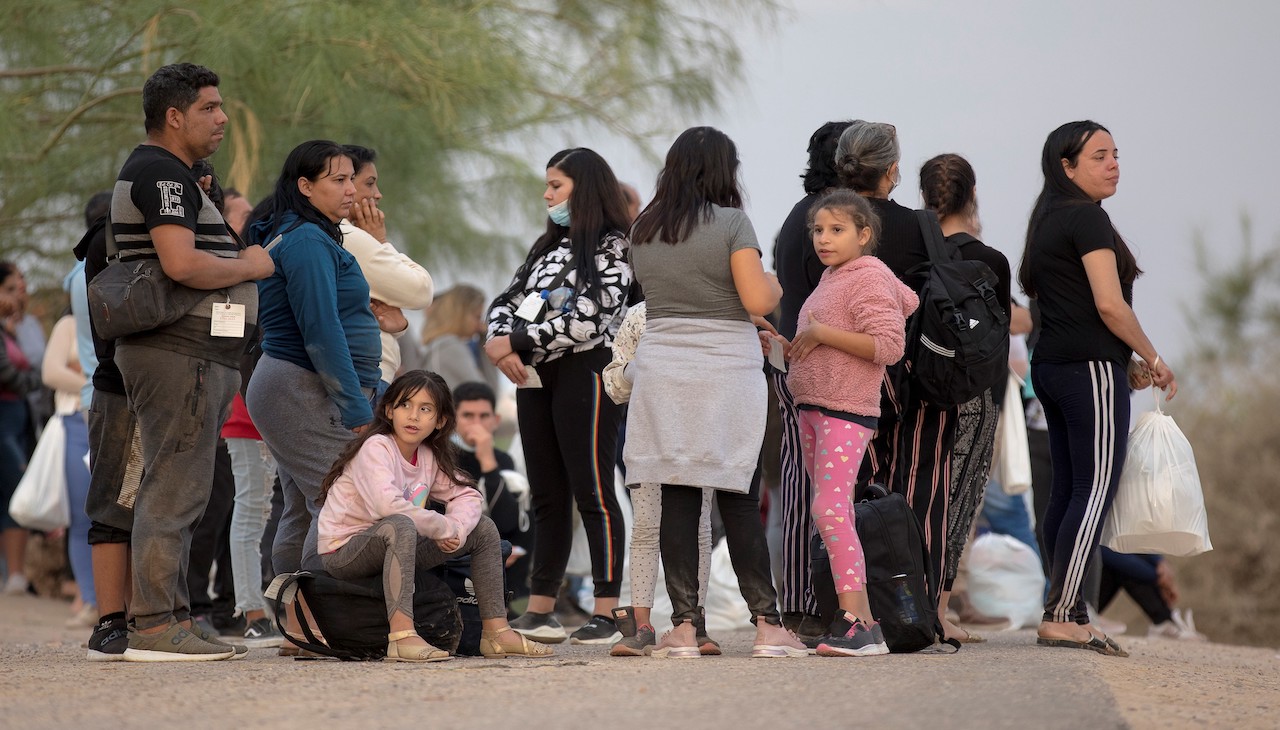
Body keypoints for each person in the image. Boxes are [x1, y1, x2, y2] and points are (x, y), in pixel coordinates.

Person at [109, 62, 272, 661]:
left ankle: (173, 614)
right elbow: (181, 265)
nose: (223, 117)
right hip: (176, 354)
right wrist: (251, 266)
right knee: (173, 487)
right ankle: (153, 625)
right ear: (173, 116)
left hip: (197, 355)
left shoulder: (178, 175)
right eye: (209, 107)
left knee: (187, 488)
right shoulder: (158, 172)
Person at [626, 126, 804, 658]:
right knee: (738, 495)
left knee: (678, 491)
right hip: (723, 369)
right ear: (724, 170)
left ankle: (683, 627)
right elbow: (754, 295)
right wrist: (773, 285)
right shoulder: (731, 223)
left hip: (663, 365)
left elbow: (669, 296)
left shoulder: (643, 227)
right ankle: (768, 626)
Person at [1019, 120, 1177, 657]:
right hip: (1088, 371)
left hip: (1056, 367)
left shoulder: (1046, 220)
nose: (1113, 165)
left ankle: (1063, 609)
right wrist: (1152, 357)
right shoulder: (1086, 217)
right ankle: (1065, 613)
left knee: (1067, 490)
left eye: (1115, 155)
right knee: (1094, 490)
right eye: (1099, 156)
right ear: (1067, 167)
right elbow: (1111, 305)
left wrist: (1123, 360)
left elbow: (1074, 308)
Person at [484, 148, 632, 645]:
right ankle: (541, 607)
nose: (547, 196)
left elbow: (589, 318)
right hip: (535, 378)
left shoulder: (616, 249)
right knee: (547, 494)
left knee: (593, 491)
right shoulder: (545, 248)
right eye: (547, 186)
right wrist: (499, 343)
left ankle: (608, 611)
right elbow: (505, 303)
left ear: (584, 189)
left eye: (556, 186)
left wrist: (518, 342)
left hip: (587, 375)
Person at [245, 140, 380, 653]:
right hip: (300, 383)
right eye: (338, 180)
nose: (350, 189)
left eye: (352, 178)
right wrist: (356, 406)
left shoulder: (315, 236)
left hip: (294, 384)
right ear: (305, 186)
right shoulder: (304, 241)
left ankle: (299, 627)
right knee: (338, 500)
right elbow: (320, 330)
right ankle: (314, 623)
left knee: (303, 507)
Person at [317, 370, 553, 660]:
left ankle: (496, 632)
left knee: (483, 528)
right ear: (389, 410)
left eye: (425, 409)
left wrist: (457, 528)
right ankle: (402, 636)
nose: (413, 416)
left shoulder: (427, 455)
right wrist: (442, 527)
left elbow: (467, 495)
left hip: (398, 545)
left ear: (440, 420)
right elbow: (386, 506)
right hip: (346, 550)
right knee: (399, 524)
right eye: (405, 405)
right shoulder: (377, 447)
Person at [772, 189, 917, 657]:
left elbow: (889, 346)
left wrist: (819, 334)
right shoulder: (832, 278)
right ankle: (851, 618)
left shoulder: (869, 275)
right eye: (818, 230)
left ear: (864, 234)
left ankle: (863, 624)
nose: (823, 239)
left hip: (845, 408)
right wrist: (784, 343)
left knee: (831, 511)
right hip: (813, 406)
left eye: (836, 230)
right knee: (828, 512)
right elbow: (819, 344)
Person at [837, 122, 956, 615]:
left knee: (847, 494)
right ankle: (917, 611)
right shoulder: (922, 227)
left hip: (844, 379)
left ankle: (853, 608)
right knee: (922, 490)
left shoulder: (827, 228)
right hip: (916, 379)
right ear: (891, 170)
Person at [919, 153, 1012, 643]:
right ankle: (938, 607)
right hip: (973, 397)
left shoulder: (914, 251)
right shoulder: (990, 260)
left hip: (919, 391)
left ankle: (907, 600)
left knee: (918, 493)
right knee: (959, 499)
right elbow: (998, 339)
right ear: (971, 197)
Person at [770, 120, 853, 639]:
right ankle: (804, 604)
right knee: (809, 487)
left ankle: (803, 599)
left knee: (799, 485)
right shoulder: (832, 221)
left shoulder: (797, 217)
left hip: (790, 359)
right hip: (814, 365)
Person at [600, 302, 718, 656]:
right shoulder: (639, 314)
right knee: (647, 528)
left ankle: (694, 622)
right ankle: (641, 625)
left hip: (699, 433)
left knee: (700, 526)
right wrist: (640, 370)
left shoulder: (708, 304)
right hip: (647, 434)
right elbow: (614, 382)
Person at [339, 144, 435, 389]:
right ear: (346, 183)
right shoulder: (348, 236)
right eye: (369, 183)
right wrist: (381, 241)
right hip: (366, 375)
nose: (378, 194)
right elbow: (420, 291)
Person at [450, 380, 533, 607]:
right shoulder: (443, 455)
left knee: (526, 505)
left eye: (483, 416)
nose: (476, 423)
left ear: (495, 421)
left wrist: (487, 460)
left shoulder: (502, 459)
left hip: (496, 541)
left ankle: (517, 601)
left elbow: (507, 521)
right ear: (453, 419)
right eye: (468, 415)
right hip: (456, 541)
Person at [41, 305, 96, 628]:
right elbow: (50, 372)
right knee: (81, 517)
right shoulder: (68, 323)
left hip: (106, 415)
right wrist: (94, 380)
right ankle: (90, 599)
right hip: (75, 421)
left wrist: (78, 371)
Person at [0, 262, 42, 595]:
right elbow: (11, 374)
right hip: (5, 413)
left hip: (20, 415)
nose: (18, 295)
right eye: (10, 289)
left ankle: (17, 572)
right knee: (15, 482)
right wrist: (32, 381)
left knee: (16, 489)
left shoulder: (21, 328)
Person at [417, 285, 496, 390]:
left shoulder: (437, 345)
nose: (480, 325)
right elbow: (487, 395)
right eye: (477, 317)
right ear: (461, 315)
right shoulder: (450, 346)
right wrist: (487, 339)